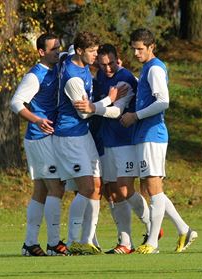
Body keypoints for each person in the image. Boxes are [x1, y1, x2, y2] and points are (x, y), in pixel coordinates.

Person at [120, 28, 197, 254]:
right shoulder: (146, 69)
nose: (136, 53)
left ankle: (152, 242)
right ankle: (184, 229)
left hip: (153, 134)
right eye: (133, 48)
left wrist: (135, 115)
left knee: (154, 188)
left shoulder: (154, 68)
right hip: (143, 135)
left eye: (140, 49)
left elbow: (163, 101)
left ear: (151, 46)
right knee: (151, 188)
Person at [74, 43, 154, 254]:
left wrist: (93, 108)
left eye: (110, 64)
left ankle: (152, 229)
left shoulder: (125, 79)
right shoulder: (100, 76)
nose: (107, 68)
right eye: (102, 65)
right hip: (105, 141)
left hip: (125, 141)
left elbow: (117, 112)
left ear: (117, 59)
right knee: (110, 191)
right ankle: (125, 242)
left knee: (125, 189)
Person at [54, 31, 122, 255]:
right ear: (80, 51)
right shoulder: (73, 77)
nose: (96, 55)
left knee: (97, 186)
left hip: (83, 135)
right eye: (92, 51)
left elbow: (64, 52)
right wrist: (109, 100)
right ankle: (73, 240)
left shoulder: (72, 59)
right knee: (86, 188)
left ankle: (87, 241)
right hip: (70, 136)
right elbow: (84, 114)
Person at [10, 33, 68, 256]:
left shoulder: (58, 66)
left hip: (47, 138)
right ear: (41, 52)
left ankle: (29, 243)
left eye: (58, 48)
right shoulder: (35, 75)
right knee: (56, 188)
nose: (58, 52)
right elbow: (16, 102)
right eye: (53, 49)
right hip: (39, 137)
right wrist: (37, 120)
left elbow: (74, 51)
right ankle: (53, 243)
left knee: (41, 190)